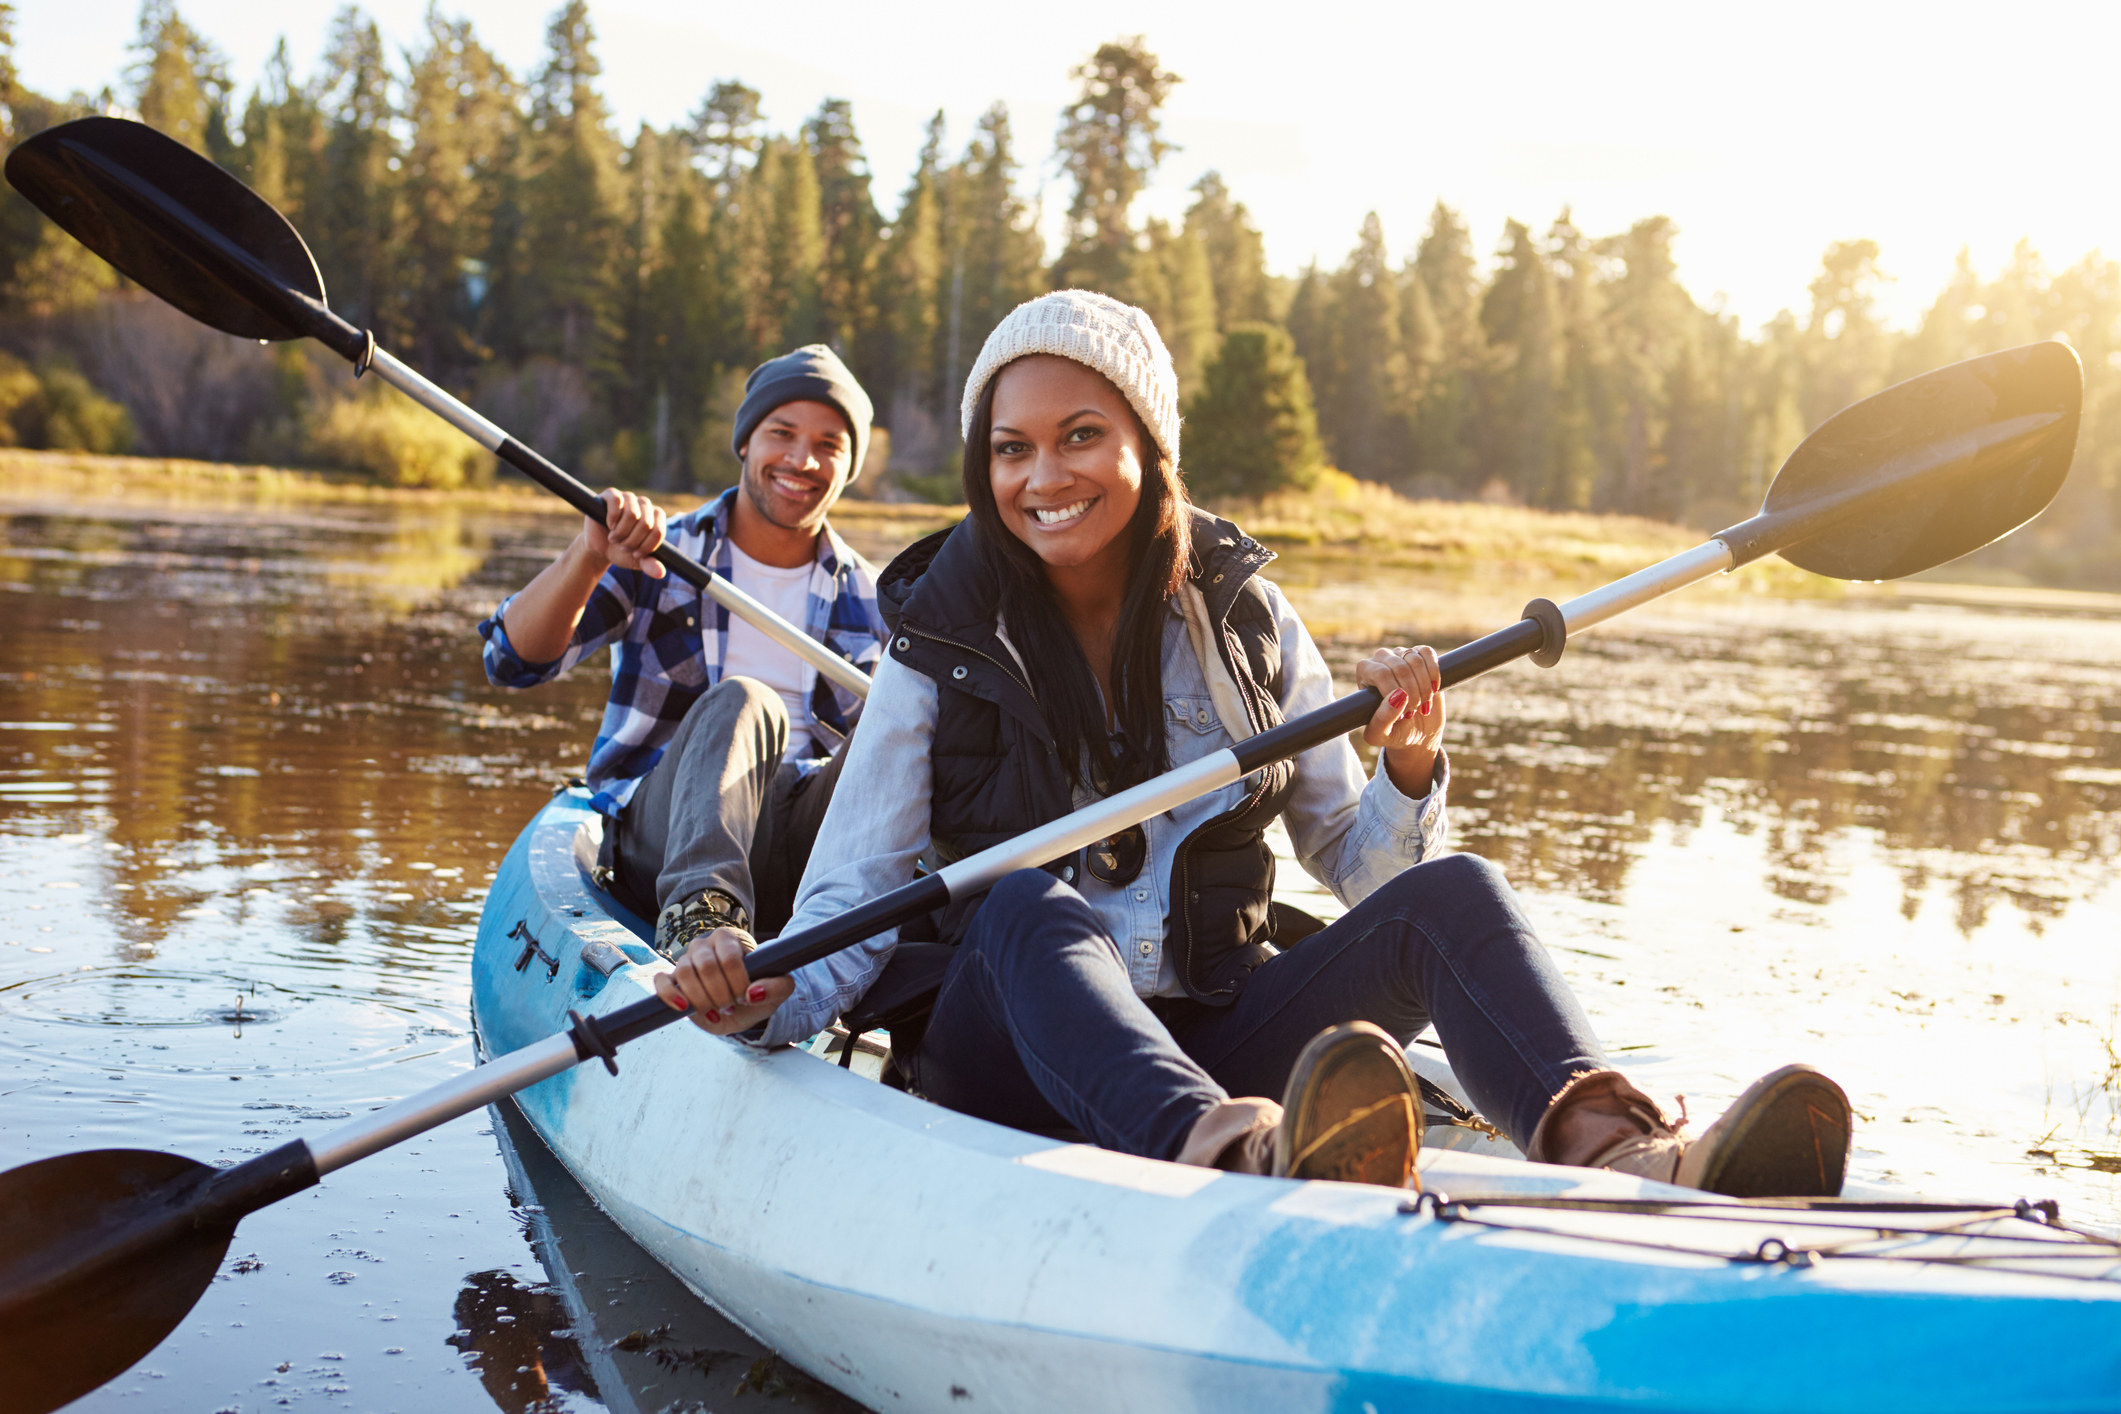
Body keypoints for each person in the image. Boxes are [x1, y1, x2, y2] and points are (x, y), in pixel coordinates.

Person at [655, 293, 1853, 1196]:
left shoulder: (1247, 623)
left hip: (1215, 1025)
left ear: (1148, 447)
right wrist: (758, 993)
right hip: (1010, 1048)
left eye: (1079, 436)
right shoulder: (938, 638)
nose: (1041, 475)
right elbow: (854, 891)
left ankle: (1628, 1151)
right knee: (1026, 908)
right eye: (1011, 449)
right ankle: (1235, 1154)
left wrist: (1408, 768)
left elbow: (1361, 864)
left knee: (1457, 892)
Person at [479, 344, 889, 958]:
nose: (802, 459)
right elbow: (511, 663)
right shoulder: (657, 551)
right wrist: (589, 557)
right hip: (664, 834)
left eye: (829, 444)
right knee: (745, 703)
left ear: (850, 465)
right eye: (782, 432)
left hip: (806, 854)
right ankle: (702, 922)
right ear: (746, 442)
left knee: (904, 720)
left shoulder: (874, 596)